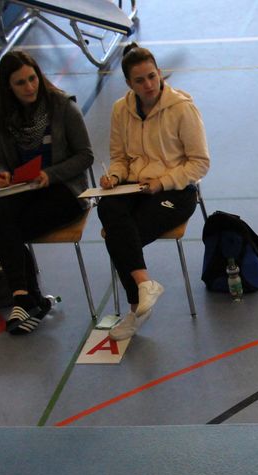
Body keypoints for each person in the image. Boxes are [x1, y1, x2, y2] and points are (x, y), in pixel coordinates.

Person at [97, 43, 210, 341]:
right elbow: (119, 157)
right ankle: (144, 284)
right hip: (135, 186)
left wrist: (162, 182)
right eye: (140, 80)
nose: (148, 84)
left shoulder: (182, 109)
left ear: (160, 73)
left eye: (152, 76)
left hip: (176, 190)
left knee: (118, 234)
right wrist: (114, 176)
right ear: (129, 84)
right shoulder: (120, 110)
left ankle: (136, 309)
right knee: (106, 207)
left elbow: (199, 163)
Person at [0, 50, 93, 335]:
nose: (30, 87)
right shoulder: (3, 119)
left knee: (9, 230)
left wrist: (51, 174)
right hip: (27, 187)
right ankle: (26, 299)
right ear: (8, 87)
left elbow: (86, 156)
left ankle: (28, 299)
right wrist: (2, 174)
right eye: (21, 83)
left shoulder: (63, 107)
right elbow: (1, 159)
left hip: (66, 189)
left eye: (32, 78)